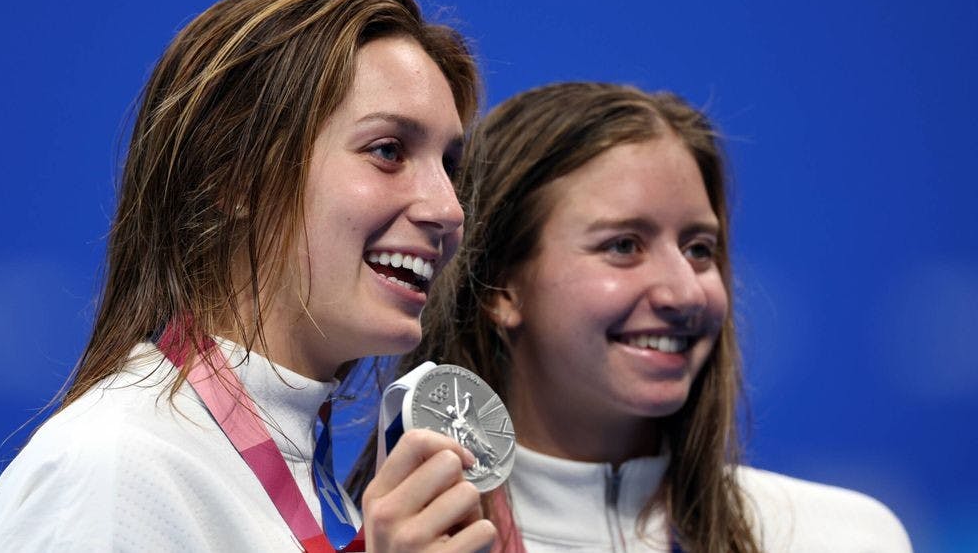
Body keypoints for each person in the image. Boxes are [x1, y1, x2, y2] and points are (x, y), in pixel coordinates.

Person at [0, 0, 496, 551]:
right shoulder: (113, 467)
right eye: (389, 151)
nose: (449, 210)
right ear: (237, 174)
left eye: (449, 166)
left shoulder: (320, 489)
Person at [391, 82, 913, 552]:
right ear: (502, 288)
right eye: (624, 246)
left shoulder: (843, 536)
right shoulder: (402, 539)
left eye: (700, 249)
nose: (685, 292)